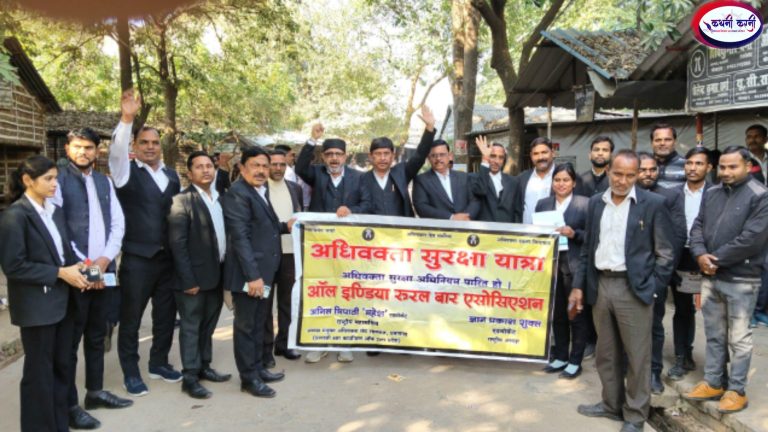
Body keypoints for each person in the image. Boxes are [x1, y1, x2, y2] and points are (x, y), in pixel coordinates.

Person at [571, 149, 675, 432]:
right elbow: (588, 249)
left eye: (630, 175)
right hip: (601, 285)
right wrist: (579, 286)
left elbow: (666, 254)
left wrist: (653, 289)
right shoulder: (596, 203)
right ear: (609, 171)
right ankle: (611, 404)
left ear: (638, 175)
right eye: (617, 174)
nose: (622, 180)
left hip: (634, 288)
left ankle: (635, 416)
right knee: (606, 353)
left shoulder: (653, 204)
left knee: (637, 357)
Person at [0, 155, 90, 432]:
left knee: (62, 368)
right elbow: (14, 266)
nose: (54, 184)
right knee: (39, 374)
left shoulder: (54, 211)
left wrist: (77, 269)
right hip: (37, 308)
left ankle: (59, 425)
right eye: (48, 179)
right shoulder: (15, 216)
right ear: (28, 180)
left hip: (64, 303)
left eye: (56, 178)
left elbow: (61, 253)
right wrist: (60, 273)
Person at [53, 128, 132, 429]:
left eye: (88, 147)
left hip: (103, 270)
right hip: (75, 275)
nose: (83, 152)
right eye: (77, 146)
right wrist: (90, 269)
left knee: (98, 335)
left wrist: (104, 261)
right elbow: (59, 231)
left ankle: (95, 392)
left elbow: (118, 224)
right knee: (70, 343)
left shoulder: (104, 181)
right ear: (67, 149)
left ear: (97, 151)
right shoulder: (57, 182)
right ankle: (69, 405)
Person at [684, 146, 768, 414]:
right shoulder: (712, 192)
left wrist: (714, 260)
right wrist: (699, 255)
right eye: (722, 167)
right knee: (714, 334)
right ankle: (713, 382)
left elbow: (752, 239)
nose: (726, 172)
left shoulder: (760, 195)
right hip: (711, 277)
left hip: (742, 278)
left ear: (747, 166)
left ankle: (736, 390)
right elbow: (697, 226)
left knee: (739, 338)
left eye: (733, 167)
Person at [110, 89, 182, 396]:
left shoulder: (172, 176)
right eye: (144, 143)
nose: (150, 147)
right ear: (135, 146)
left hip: (168, 260)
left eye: (154, 143)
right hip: (138, 259)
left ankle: (159, 363)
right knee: (131, 319)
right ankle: (131, 372)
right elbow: (116, 151)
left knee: (165, 317)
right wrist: (127, 119)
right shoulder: (124, 172)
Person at [223, 146, 293, 398]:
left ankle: (258, 368)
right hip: (249, 276)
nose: (262, 171)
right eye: (256, 165)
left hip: (264, 273)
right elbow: (240, 238)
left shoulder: (259, 191)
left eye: (265, 165)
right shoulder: (238, 194)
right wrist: (253, 277)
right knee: (246, 327)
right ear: (242, 168)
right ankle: (249, 379)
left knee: (258, 324)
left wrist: (285, 226)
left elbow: (264, 226)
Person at [295, 124, 364, 363]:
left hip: (348, 246)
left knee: (346, 292)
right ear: (323, 157)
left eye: (338, 154)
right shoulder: (316, 173)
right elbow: (299, 167)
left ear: (345, 156)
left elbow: (367, 204)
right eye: (329, 154)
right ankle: (319, 342)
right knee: (320, 291)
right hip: (320, 246)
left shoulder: (358, 177)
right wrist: (311, 141)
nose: (334, 158)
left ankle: (344, 343)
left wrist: (352, 210)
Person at [168, 151, 232, 400]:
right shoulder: (181, 200)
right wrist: (188, 280)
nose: (206, 170)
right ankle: (190, 376)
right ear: (189, 172)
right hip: (193, 279)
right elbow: (178, 244)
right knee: (191, 327)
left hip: (217, 275)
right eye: (199, 166)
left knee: (208, 325)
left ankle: (205, 366)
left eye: (209, 166)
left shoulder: (220, 198)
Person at [636, 151, 687, 394]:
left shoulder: (670, 196)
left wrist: (660, 279)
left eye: (652, 169)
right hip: (627, 275)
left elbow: (676, 237)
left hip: (654, 276)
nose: (648, 174)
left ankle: (654, 373)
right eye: (643, 169)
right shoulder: (624, 195)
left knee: (654, 326)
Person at [534, 164, 589, 379]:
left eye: (566, 180)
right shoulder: (543, 204)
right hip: (552, 265)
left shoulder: (585, 204)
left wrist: (574, 234)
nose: (561, 184)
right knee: (557, 314)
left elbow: (592, 237)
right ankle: (560, 356)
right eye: (557, 180)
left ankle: (575, 361)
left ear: (574, 182)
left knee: (575, 314)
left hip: (575, 267)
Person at [667, 147, 712, 381]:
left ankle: (717, 370)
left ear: (709, 167)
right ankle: (682, 356)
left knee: (714, 312)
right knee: (683, 309)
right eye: (689, 163)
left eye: (699, 163)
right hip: (682, 256)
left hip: (708, 257)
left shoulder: (716, 193)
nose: (692, 168)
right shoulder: (672, 194)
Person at [356, 105, 435, 218]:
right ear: (371, 156)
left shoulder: (401, 173)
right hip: (372, 229)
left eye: (386, 153)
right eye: (378, 154)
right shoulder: (361, 180)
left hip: (402, 228)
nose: (382, 158)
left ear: (393, 156)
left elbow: (419, 156)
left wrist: (429, 128)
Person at [265, 149, 303, 361]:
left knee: (288, 302)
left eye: (282, 164)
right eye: (274, 164)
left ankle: (284, 344)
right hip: (267, 254)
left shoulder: (295, 188)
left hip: (290, 252)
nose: (278, 168)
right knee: (265, 304)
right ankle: (266, 348)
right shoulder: (258, 188)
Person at [412, 139, 480, 220]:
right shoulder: (421, 180)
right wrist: (451, 217)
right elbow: (421, 207)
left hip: (466, 225)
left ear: (450, 156)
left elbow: (474, 200)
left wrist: (467, 216)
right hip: (439, 227)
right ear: (429, 158)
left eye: (442, 154)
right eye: (433, 155)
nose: (438, 158)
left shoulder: (463, 177)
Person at [471, 135, 520, 223]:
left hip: (507, 229)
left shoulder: (513, 182)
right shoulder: (474, 179)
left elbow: (517, 211)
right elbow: (480, 191)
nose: (497, 161)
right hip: (484, 229)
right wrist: (485, 159)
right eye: (492, 156)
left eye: (501, 157)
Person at [516, 137, 556, 224]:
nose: (540, 157)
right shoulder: (522, 178)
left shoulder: (564, 178)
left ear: (553, 153)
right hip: (525, 231)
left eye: (544, 152)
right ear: (531, 156)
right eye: (536, 154)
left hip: (553, 231)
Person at [276, 144, 311, 211]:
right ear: (284, 156)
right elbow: (291, 192)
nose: (293, 158)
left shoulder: (289, 170)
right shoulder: (288, 171)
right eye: (291, 155)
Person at [650, 123, 686, 189]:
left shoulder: (687, 164)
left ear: (675, 142)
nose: (662, 143)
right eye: (658, 140)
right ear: (652, 143)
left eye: (667, 140)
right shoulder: (642, 165)